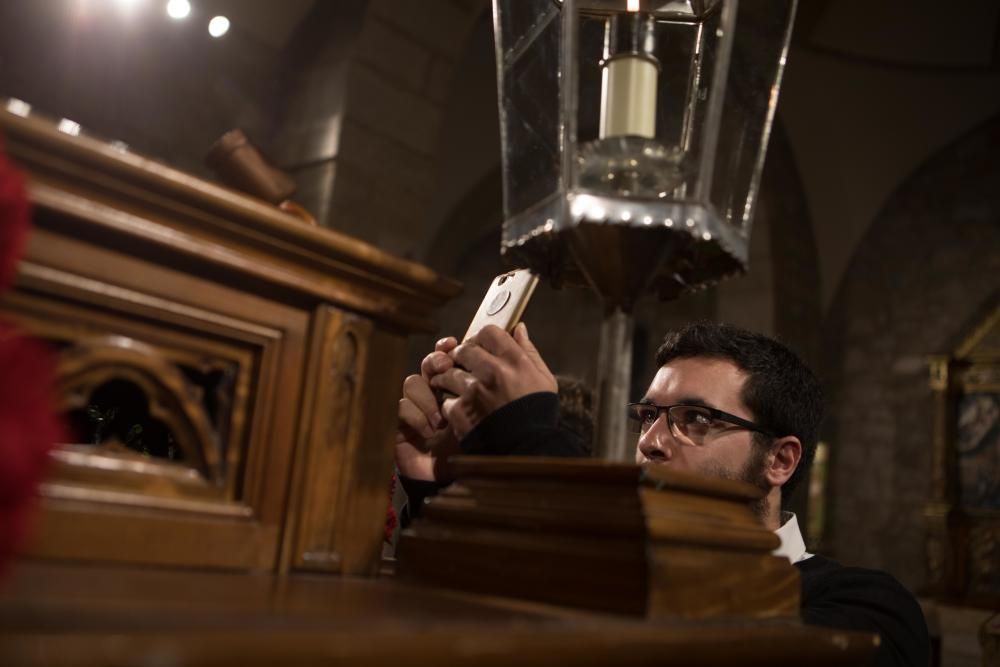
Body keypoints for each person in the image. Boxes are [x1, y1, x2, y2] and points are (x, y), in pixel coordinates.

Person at [396, 321, 929, 667]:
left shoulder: (869, 607)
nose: (650, 442)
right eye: (649, 416)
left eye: (695, 419)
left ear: (780, 459)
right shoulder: (592, 567)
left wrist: (531, 436)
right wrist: (441, 484)